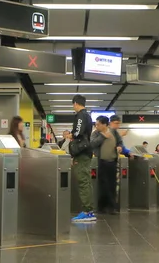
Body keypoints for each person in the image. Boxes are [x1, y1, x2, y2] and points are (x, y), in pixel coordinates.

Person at [90, 116, 130, 215]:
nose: (96, 125)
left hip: (112, 162)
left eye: (98, 124)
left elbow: (120, 141)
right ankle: (101, 207)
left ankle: (112, 207)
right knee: (103, 185)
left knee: (112, 185)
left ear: (104, 124)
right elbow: (92, 144)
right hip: (101, 162)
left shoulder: (113, 132)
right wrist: (103, 136)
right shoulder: (96, 133)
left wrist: (120, 147)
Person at [68, 95, 95, 223]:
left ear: (76, 103)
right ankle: (88, 210)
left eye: (73, 105)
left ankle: (87, 211)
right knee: (86, 181)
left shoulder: (81, 115)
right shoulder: (88, 116)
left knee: (83, 180)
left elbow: (78, 131)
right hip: (85, 152)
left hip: (82, 152)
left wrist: (72, 135)